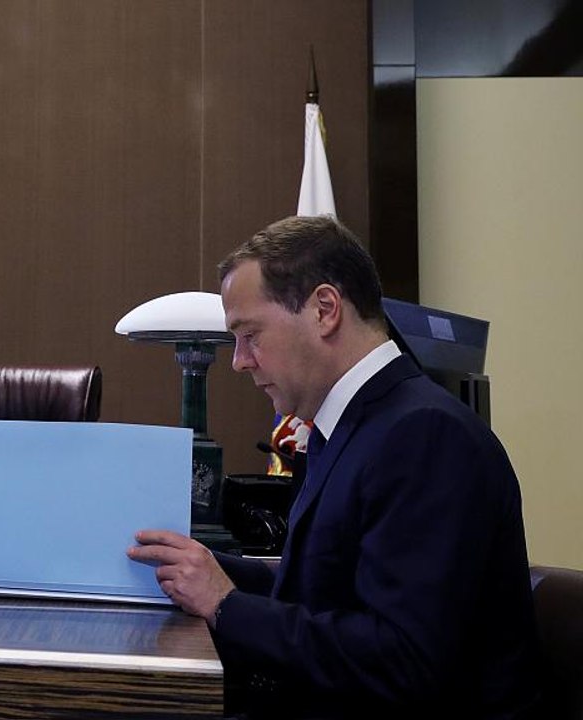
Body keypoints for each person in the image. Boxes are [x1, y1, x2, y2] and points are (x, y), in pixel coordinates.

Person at [127, 216, 539, 718]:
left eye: (250, 334)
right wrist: (202, 568)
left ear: (324, 309)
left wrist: (226, 605)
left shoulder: (426, 435)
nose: (239, 361)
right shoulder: (352, 426)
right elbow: (322, 592)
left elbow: (401, 661)